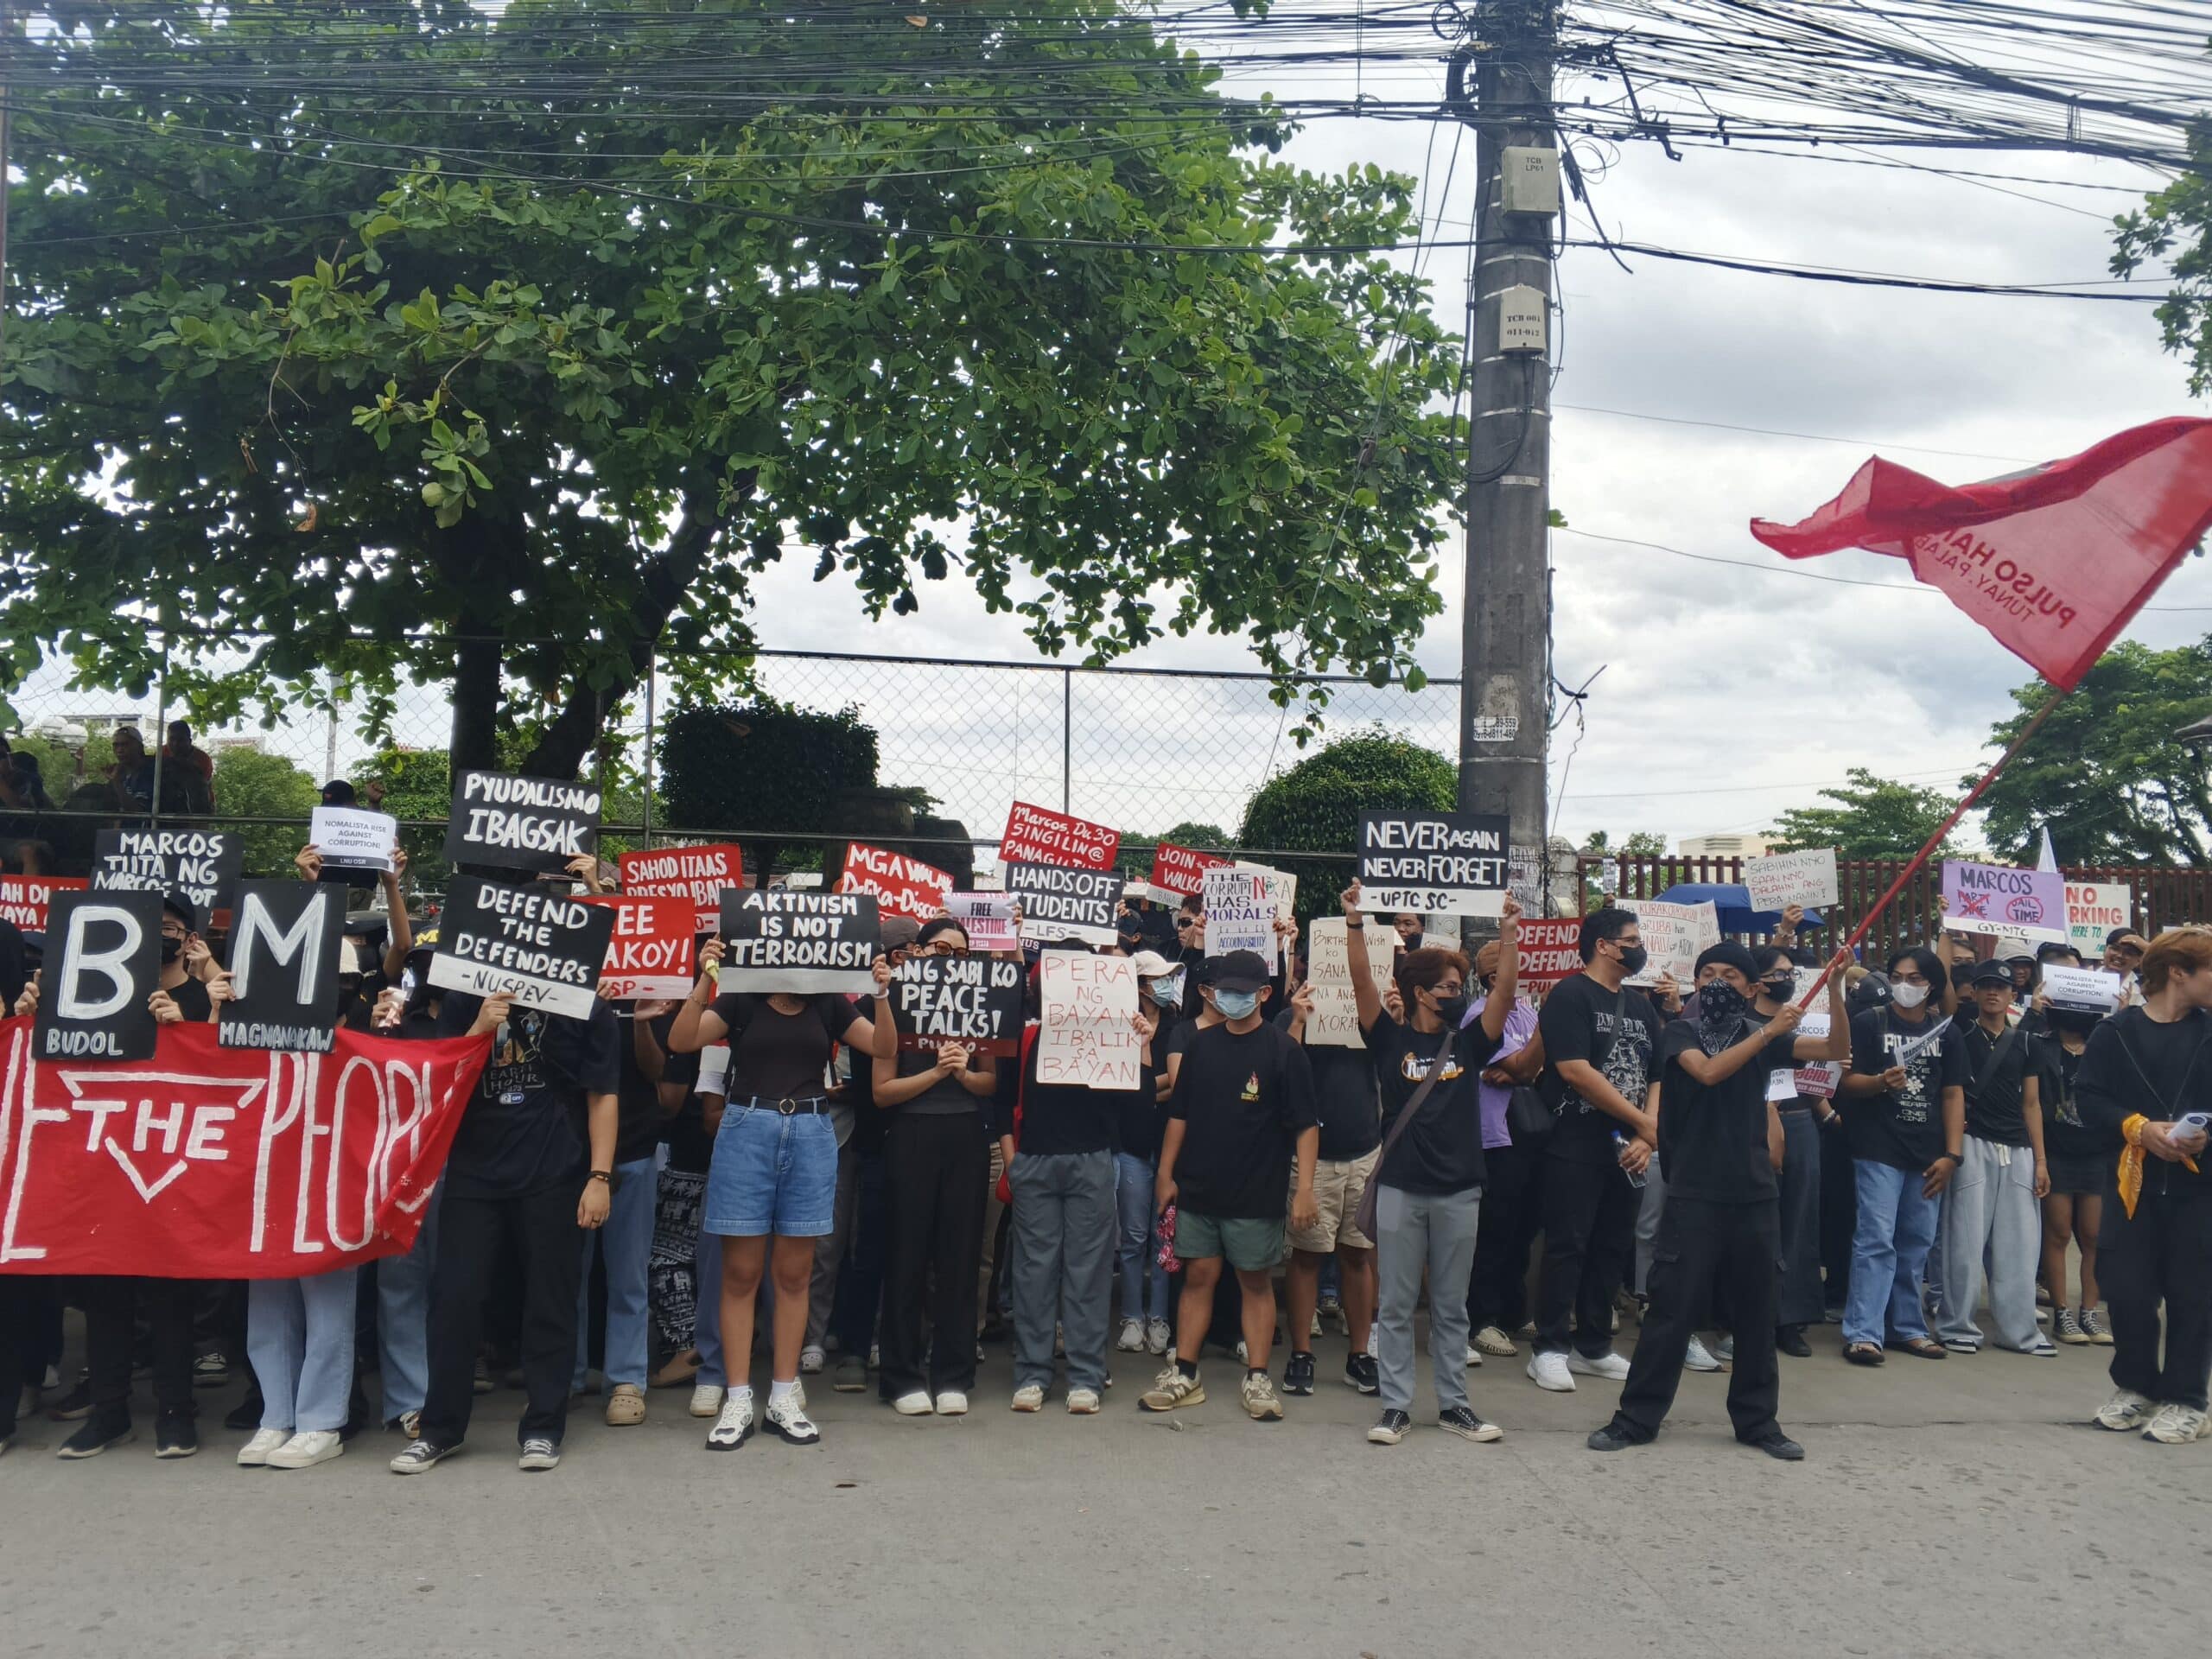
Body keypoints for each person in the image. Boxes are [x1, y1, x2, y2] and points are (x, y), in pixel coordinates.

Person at [1589, 944, 1851, 1460]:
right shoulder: (1681, 1032)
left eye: (1730, 975)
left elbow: (1834, 1049)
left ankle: (1758, 1422)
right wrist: (1769, 1033)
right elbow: (1708, 1072)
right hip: (1694, 1193)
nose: (1716, 982)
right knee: (1671, 1310)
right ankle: (1636, 1418)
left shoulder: (1764, 1036)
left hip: (1754, 1192)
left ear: (1753, 988)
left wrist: (1837, 990)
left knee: (1757, 1311)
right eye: (1707, 973)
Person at [389, 970, 620, 1477]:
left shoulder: (586, 1006)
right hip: (475, 1174)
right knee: (455, 1297)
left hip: (555, 1171)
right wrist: (477, 1028)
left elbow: (602, 1093)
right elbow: (438, 1084)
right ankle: (439, 1430)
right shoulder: (461, 998)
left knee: (551, 1299)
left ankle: (542, 1426)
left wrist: (599, 1175)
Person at [669, 937, 894, 1447]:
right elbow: (682, 1041)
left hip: (812, 1130)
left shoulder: (829, 1001)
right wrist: (708, 973)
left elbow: (883, 1048)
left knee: (794, 1274)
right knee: (741, 1273)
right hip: (747, 1125)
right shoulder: (741, 996)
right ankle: (738, 1396)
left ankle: (783, 1395)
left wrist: (881, 995)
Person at [1342, 883, 1520, 1446]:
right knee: (1394, 1304)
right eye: (1447, 986)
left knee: (1450, 1305)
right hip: (1400, 1188)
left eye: (1459, 986)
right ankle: (1395, 1406)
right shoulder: (1388, 1040)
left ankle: (1454, 1406)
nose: (1457, 993)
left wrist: (1510, 934)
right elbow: (1362, 983)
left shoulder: (1468, 1044)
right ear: (1420, 993)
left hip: (1460, 1190)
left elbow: (1506, 997)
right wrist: (1354, 923)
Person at [1141, 949, 1318, 1421]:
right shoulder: (1199, 1045)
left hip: (1257, 1192)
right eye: (1225, 991)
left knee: (1255, 1283)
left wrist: (1304, 1190)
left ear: (1263, 994)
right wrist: (1165, 1174)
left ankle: (1258, 1376)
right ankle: (1186, 1371)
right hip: (1198, 1188)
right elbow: (1179, 1113)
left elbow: (1305, 1125)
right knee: (1197, 1278)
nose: (1231, 999)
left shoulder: (1285, 1051)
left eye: (1242, 992)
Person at [2075, 930, 2212, 1445]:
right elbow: (2088, 1100)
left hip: (2199, 1190)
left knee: (2192, 1296)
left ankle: (2187, 1400)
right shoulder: (2116, 1033)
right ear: (2179, 972)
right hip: (2130, 1184)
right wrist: (2138, 1127)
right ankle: (2136, 1386)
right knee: (2128, 1292)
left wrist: (2203, 1137)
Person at [1527, 907, 1663, 1393]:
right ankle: (1549, 1347)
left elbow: (1656, 1073)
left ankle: (1593, 1346)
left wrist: (1647, 1137)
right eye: (1631, 940)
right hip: (1575, 1141)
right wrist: (1644, 1124)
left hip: (1630, 1149)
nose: (1638, 947)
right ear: (1604, 945)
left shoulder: (1641, 1005)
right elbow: (1575, 1071)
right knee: (1568, 1245)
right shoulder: (1569, 996)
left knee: (1612, 1245)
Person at [871, 917, 998, 1416]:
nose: (950, 958)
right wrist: (935, 1072)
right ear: (919, 952)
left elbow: (990, 1085)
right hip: (911, 1137)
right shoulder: (896, 1002)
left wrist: (964, 1075)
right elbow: (883, 1093)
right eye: (940, 948)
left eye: (962, 953)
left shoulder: (982, 1005)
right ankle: (901, 1376)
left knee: (960, 1258)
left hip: (967, 1137)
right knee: (906, 1256)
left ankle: (953, 1373)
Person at [1001, 969, 1133, 1415]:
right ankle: (1033, 1373)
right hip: (1035, 1161)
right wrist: (1013, 1160)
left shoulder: (1114, 1035)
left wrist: (1140, 1042)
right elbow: (1002, 1100)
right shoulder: (1026, 1038)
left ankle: (1084, 1376)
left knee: (1088, 1272)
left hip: (1091, 1159)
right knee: (1033, 1272)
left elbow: (1137, 1103)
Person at [1837, 946, 1966, 1366]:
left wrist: (1952, 1154)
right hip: (1878, 1149)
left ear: (1932, 986)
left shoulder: (1946, 1033)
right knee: (1875, 1239)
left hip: (1927, 1153)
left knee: (1916, 1242)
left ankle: (1906, 1328)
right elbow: (1846, 1083)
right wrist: (1878, 1083)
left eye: (1915, 979)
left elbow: (1952, 1094)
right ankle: (1863, 1332)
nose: (1905, 986)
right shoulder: (1869, 1022)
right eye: (1897, 976)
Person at [572, 991, 690, 1427]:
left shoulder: (646, 981)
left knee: (628, 1273)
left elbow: (656, 1072)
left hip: (634, 1146)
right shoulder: (566, 983)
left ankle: (625, 1380)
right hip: (567, 1151)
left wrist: (640, 1022)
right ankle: (565, 1375)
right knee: (565, 1274)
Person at [1932, 961, 2055, 1357]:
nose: (1993, 993)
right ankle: (1957, 1326)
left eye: (2001, 987)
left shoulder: (2027, 1042)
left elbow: (2032, 1104)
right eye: (1986, 986)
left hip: (2018, 1148)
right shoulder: (1959, 1034)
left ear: (2012, 995)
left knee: (2020, 1246)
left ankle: (2020, 1332)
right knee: (1964, 1242)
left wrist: (2041, 1160)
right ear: (1976, 991)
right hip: (1972, 1144)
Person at [1275, 957, 1382, 1400]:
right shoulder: (1293, 1014)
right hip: (1314, 1156)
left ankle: (1359, 1355)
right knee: (1307, 1256)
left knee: (1357, 1256)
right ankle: (1302, 1353)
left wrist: (1389, 1015)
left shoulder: (1372, 1014)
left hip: (1363, 1150)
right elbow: (1280, 1071)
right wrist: (1297, 1021)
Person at [1750, 945, 1839, 1358]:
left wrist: (1835, 989)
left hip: (1798, 1117)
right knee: (1754, 1221)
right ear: (1758, 980)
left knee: (1799, 1219)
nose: (1786, 979)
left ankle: (1790, 1318)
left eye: (1791, 973)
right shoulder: (1742, 1023)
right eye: (1777, 973)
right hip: (1751, 1121)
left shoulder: (1800, 1024)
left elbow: (1831, 1055)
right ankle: (1749, 1318)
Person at [1465, 937, 1545, 1362]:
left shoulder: (1528, 1012)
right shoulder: (1481, 1015)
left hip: (1529, 1134)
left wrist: (1522, 1071)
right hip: (1497, 1136)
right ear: (1495, 977)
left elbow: (1537, 1068)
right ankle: (1483, 1318)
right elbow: (1527, 1065)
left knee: (1522, 1228)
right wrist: (1523, 1071)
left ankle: (1514, 1311)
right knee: (1495, 1229)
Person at [1116, 951, 1182, 1357]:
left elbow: (1181, 1084)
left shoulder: (1178, 1028)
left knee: (1164, 1236)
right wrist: (1153, 1090)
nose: (1165, 983)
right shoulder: (1119, 1026)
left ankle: (1159, 1317)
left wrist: (1143, 1088)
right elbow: (1119, 1087)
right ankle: (1131, 1317)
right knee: (1133, 1237)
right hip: (1132, 1145)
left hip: (1169, 1146)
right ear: (1140, 985)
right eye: (1157, 978)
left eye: (1168, 976)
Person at [2038, 998, 2111, 1346]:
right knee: (2058, 1233)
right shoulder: (2043, 1043)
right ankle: (2062, 1312)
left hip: (2096, 1154)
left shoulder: (2104, 1043)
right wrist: (2035, 1009)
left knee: (2094, 1235)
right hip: (2057, 1153)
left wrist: (2122, 1010)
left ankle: (2090, 1312)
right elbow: (2020, 1045)